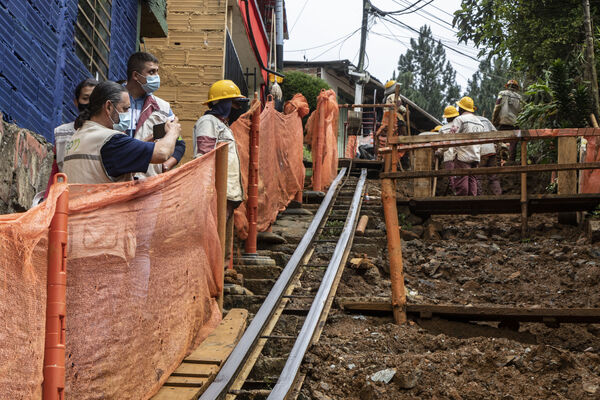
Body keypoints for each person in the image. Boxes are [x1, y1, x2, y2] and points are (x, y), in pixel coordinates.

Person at [63, 81, 181, 184]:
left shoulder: (78, 135)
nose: (127, 114)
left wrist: (142, 144)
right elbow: (162, 153)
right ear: (108, 107)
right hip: (104, 208)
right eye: (125, 109)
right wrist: (173, 131)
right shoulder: (110, 140)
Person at [193, 80, 246, 266]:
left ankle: (221, 274)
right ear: (220, 103)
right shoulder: (208, 122)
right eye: (231, 102)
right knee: (214, 233)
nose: (234, 107)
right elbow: (205, 154)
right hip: (216, 190)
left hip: (227, 191)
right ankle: (213, 275)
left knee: (223, 235)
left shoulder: (223, 125)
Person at [124, 52, 186, 178]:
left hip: (148, 182)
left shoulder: (163, 108)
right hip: (115, 180)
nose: (157, 77)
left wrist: (167, 164)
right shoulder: (112, 101)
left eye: (157, 72)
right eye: (151, 72)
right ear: (136, 75)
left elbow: (179, 143)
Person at [42, 78, 99, 200]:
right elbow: (55, 171)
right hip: (66, 200)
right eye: (85, 98)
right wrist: (48, 200)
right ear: (76, 102)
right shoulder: (62, 133)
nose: (89, 103)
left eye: (94, 98)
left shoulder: (109, 134)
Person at [450, 97, 484, 196]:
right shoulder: (479, 122)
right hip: (475, 155)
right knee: (472, 179)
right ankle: (472, 204)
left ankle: (462, 203)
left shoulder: (459, 119)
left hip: (463, 155)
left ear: (461, 108)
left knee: (462, 179)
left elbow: (451, 136)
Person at [492, 79, 522, 163]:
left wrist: (494, 120)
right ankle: (511, 162)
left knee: (500, 143)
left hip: (503, 123)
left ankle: (498, 162)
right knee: (513, 144)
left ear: (507, 86)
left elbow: (497, 107)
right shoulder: (519, 98)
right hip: (515, 124)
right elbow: (521, 111)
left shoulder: (502, 94)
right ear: (516, 88)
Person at [477, 115, 502, 195]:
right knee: (493, 176)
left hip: (479, 152)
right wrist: (497, 147)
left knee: (477, 176)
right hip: (491, 150)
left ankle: (479, 197)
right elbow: (496, 133)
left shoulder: (467, 121)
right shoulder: (485, 119)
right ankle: (498, 195)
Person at [437, 106, 459, 194]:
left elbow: (441, 144)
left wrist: (438, 152)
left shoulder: (443, 129)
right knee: (461, 176)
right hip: (461, 156)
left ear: (447, 118)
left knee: (451, 176)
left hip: (448, 156)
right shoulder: (459, 126)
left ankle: (455, 192)